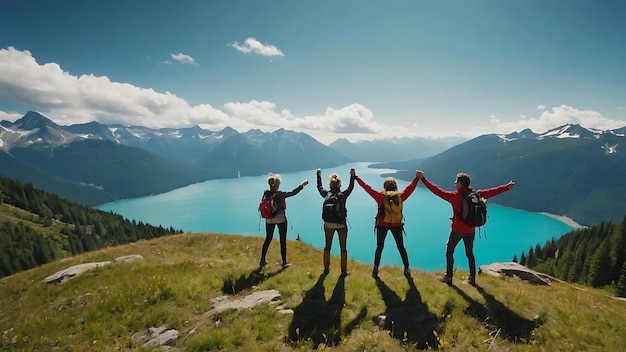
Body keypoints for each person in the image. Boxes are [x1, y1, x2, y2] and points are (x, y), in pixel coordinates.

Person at [417, 171, 515, 286]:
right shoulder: (476, 194)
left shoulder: (455, 196)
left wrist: (423, 179)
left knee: (450, 251)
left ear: (460, 183)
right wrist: (506, 187)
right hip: (471, 230)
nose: (455, 183)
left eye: (456, 181)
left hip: (457, 230)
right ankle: (472, 279)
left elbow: (437, 190)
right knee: (469, 253)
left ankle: (449, 277)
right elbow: (492, 191)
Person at [355, 170, 421, 278]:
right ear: (395, 186)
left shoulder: (381, 197)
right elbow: (411, 188)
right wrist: (417, 178)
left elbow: (367, 188)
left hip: (382, 224)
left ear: (384, 186)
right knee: (401, 247)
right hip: (397, 225)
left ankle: (375, 269)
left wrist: (356, 177)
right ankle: (407, 268)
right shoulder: (400, 196)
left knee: (379, 247)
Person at [259, 174, 309, 268]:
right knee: (282, 240)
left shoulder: (266, 193)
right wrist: (302, 185)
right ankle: (284, 262)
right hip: (280, 218)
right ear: (278, 184)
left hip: (269, 219)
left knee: (268, 239)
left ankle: (262, 260)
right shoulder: (280, 194)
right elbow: (293, 193)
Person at [316, 168, 356, 276]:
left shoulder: (326, 194)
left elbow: (319, 188)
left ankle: (326, 269)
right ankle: (343, 271)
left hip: (328, 224)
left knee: (327, 246)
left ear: (330, 184)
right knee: (343, 248)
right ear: (339, 185)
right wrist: (352, 176)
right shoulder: (343, 195)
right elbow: (351, 187)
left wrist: (318, 175)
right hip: (341, 224)